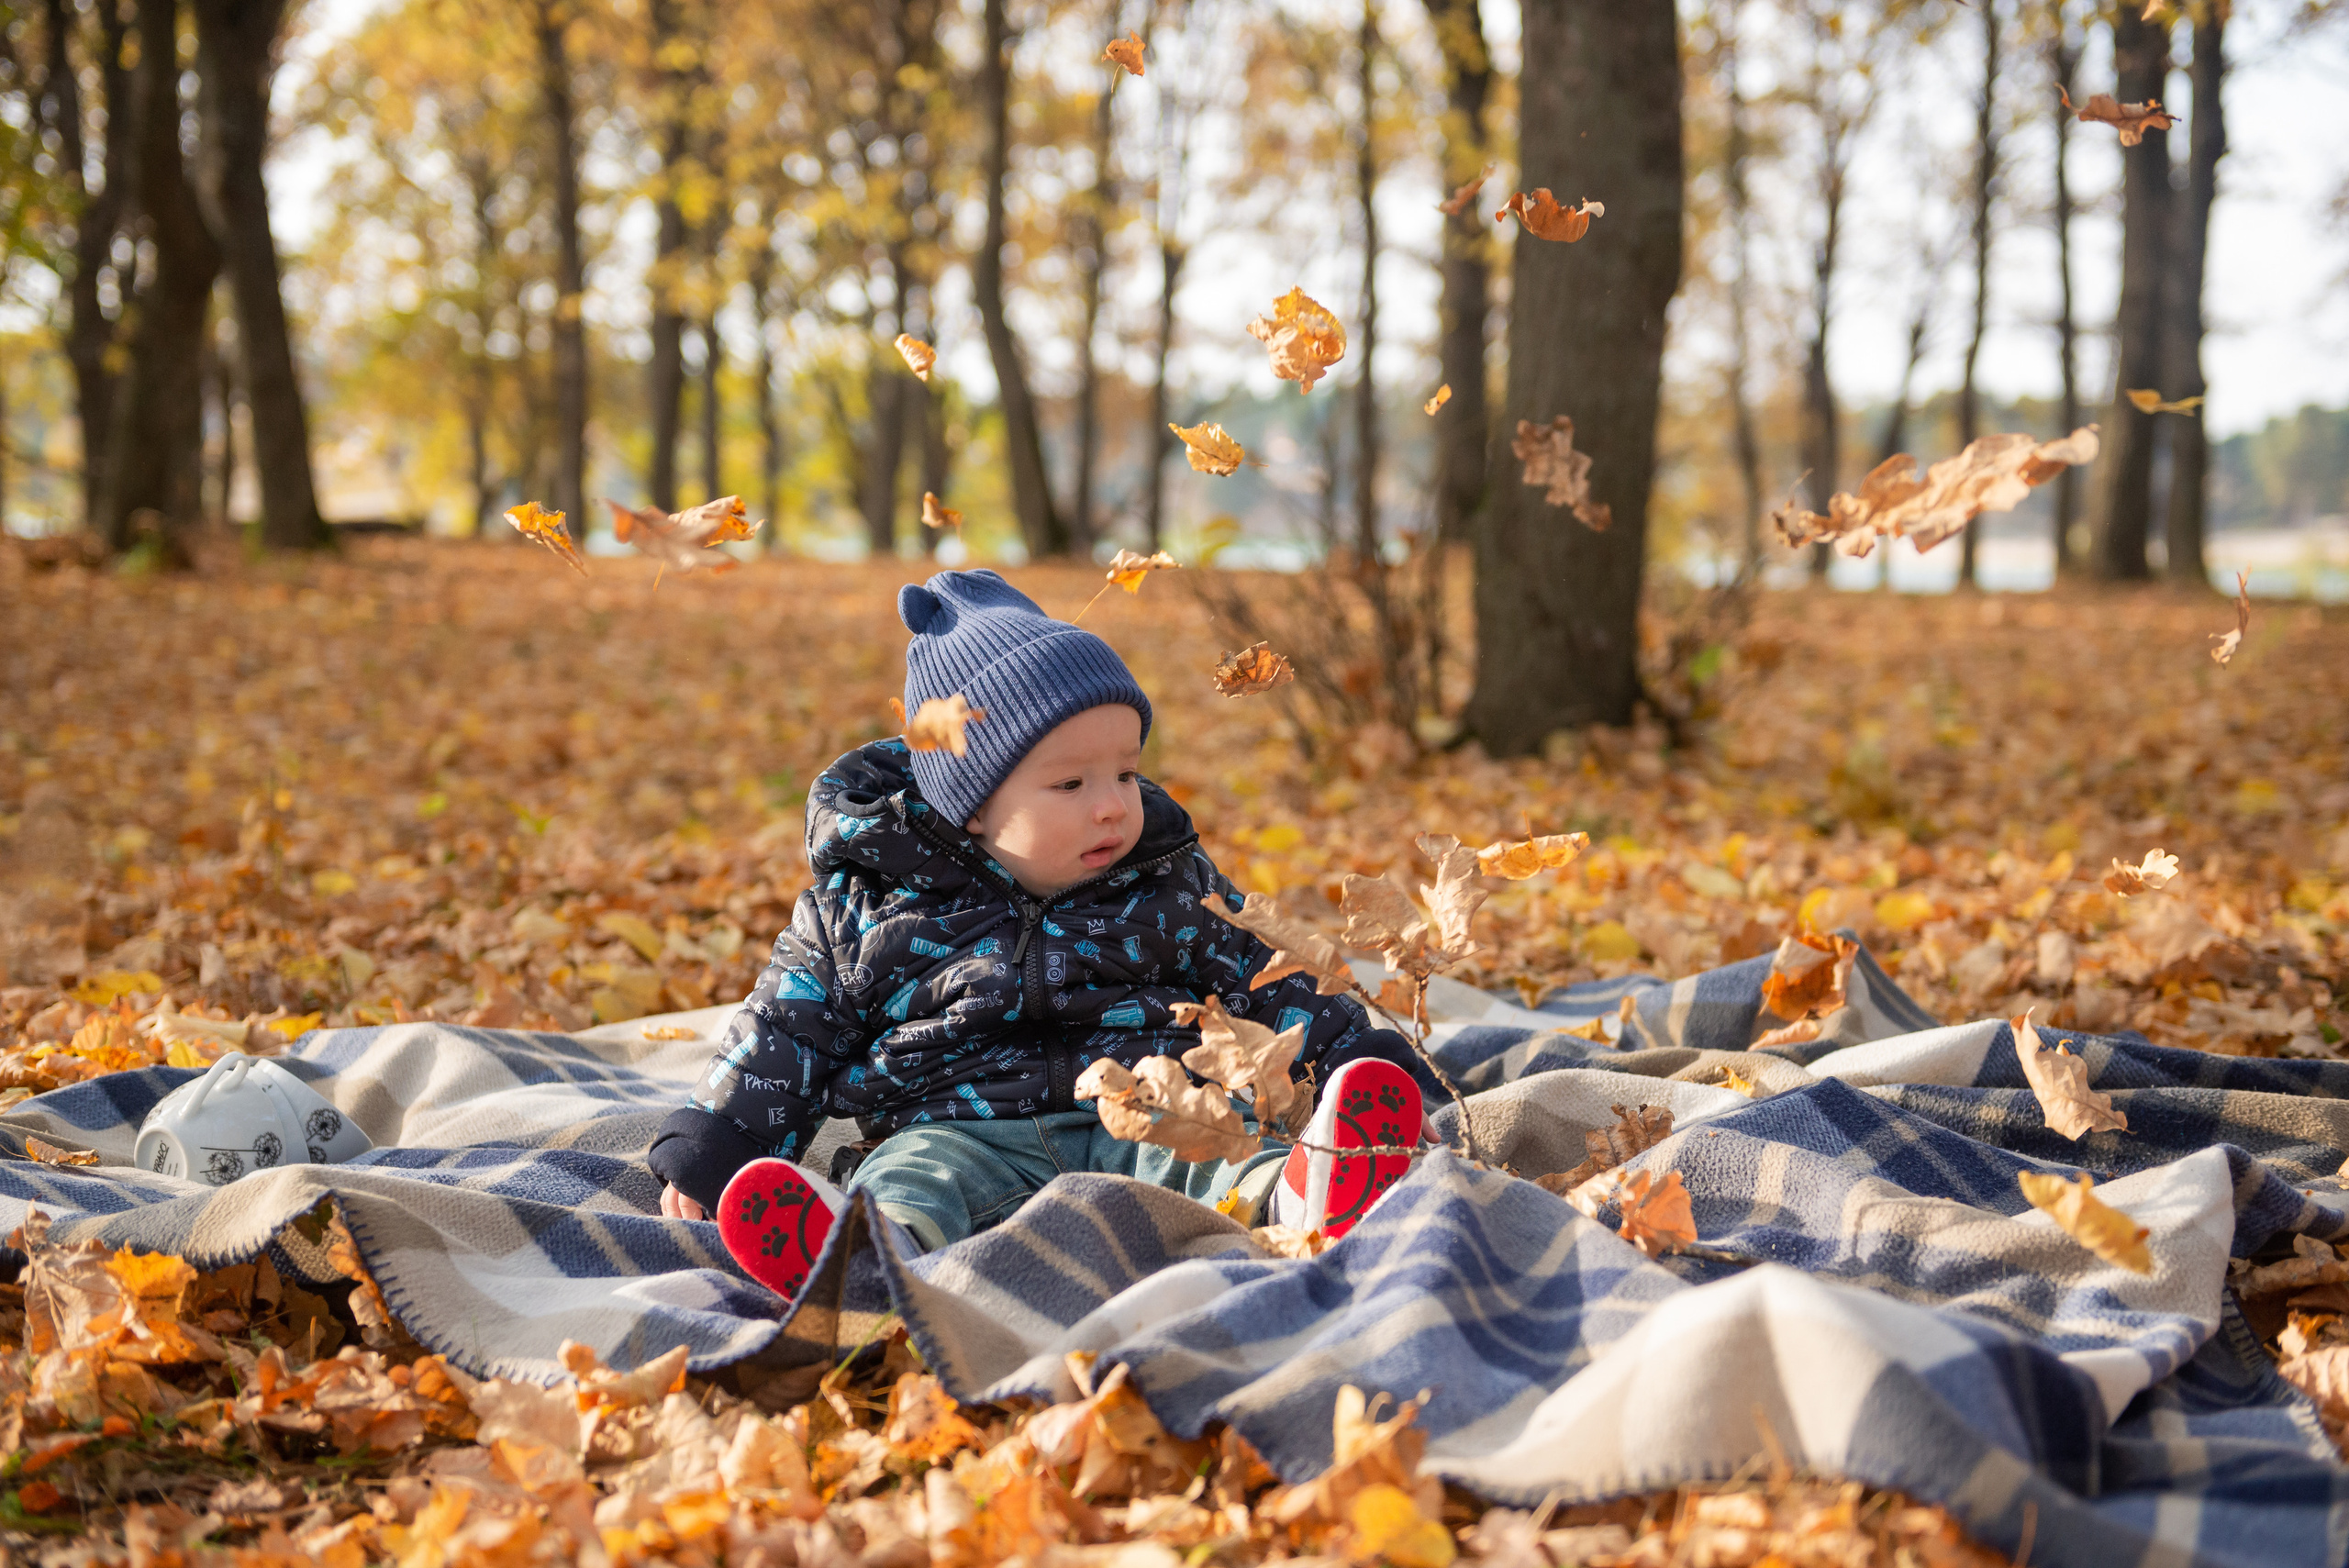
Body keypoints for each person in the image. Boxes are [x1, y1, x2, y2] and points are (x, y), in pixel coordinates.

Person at [648, 568, 1429, 1298]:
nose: (1114, 806)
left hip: (1142, 1096)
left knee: (1215, 1149)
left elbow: (1271, 973)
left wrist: (1354, 1055)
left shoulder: (1168, 880)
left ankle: (1307, 1188)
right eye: (1071, 783)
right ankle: (863, 1257)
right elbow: (787, 1028)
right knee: (913, 1179)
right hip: (956, 1122)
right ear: (974, 803)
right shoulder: (870, 906)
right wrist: (715, 1145)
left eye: (1126, 772)